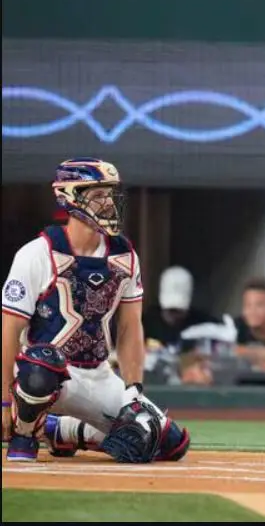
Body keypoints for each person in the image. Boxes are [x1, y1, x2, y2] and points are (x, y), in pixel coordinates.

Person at [1, 158, 190, 463]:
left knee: (167, 442)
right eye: (98, 194)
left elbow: (130, 328)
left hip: (98, 374)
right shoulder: (36, 254)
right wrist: (4, 402)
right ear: (69, 196)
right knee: (40, 367)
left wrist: (133, 393)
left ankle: (64, 430)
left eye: (110, 194)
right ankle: (25, 433)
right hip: (43, 376)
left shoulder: (125, 255)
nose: (109, 203)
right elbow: (7, 333)